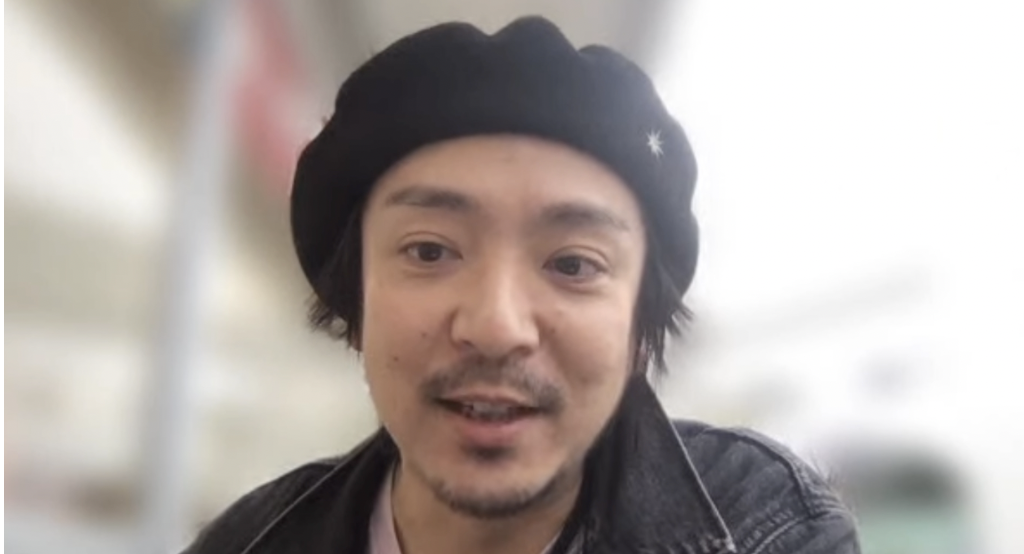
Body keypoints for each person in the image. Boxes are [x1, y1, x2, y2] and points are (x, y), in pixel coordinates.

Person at [183, 16, 860, 554]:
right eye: (429, 250)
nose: (496, 326)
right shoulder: (250, 542)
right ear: (356, 299)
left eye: (573, 264)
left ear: (638, 328)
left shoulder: (766, 528)